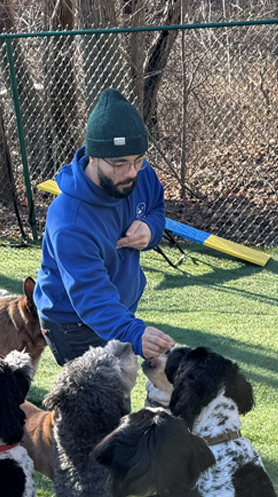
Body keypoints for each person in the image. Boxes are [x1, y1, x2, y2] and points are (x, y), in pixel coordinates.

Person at [35, 89, 177, 364]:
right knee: (94, 404)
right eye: (120, 163)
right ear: (94, 157)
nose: (132, 172)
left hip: (119, 311)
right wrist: (134, 333)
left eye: (138, 160)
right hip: (73, 322)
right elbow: (91, 296)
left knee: (118, 397)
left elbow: (157, 208)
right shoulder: (69, 220)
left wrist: (150, 229)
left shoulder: (140, 174)